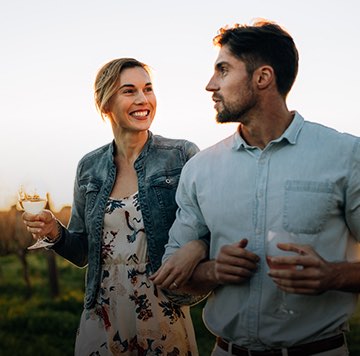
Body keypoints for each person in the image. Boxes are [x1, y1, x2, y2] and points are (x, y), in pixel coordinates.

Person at [151, 19, 360, 355]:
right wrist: (214, 269)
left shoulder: (347, 155)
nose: (210, 85)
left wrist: (333, 276)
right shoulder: (200, 169)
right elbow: (175, 281)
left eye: (223, 70)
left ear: (263, 77)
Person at [22, 57, 206, 356]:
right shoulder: (89, 166)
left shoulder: (181, 155)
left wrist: (197, 251)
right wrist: (55, 232)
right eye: (129, 91)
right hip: (102, 310)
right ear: (105, 103)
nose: (143, 99)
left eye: (148, 89)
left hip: (161, 309)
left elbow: (208, 230)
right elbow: (82, 251)